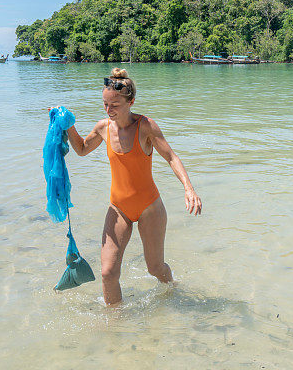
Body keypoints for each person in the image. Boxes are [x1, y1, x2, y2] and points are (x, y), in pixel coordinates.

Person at [63, 67, 202, 306]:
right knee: (108, 273)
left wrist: (188, 188)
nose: (109, 110)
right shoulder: (103, 127)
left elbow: (171, 157)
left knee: (155, 268)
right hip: (119, 208)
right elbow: (82, 149)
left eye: (114, 105)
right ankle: (115, 325)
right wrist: (67, 124)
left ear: (131, 102)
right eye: (105, 104)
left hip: (150, 207)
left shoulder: (146, 126)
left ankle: (173, 290)